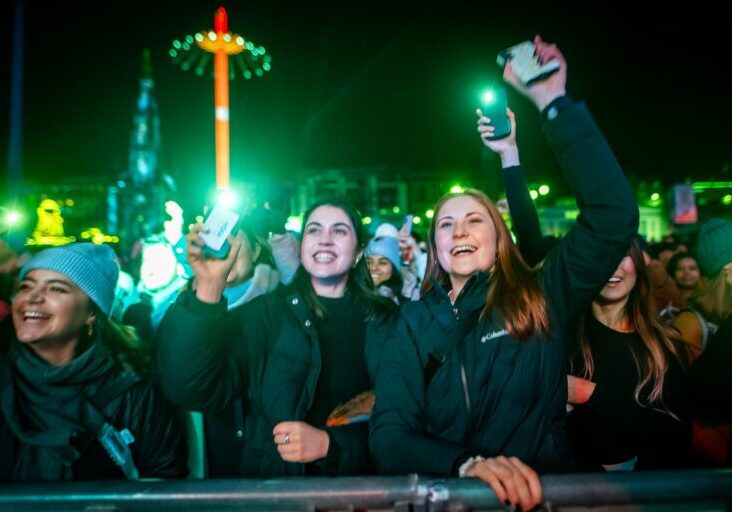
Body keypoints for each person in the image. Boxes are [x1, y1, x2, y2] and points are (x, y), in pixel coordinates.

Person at [370, 36, 638, 512]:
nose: (460, 230)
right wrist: (467, 464)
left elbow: (613, 215)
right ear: (434, 247)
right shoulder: (408, 323)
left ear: (499, 240)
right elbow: (390, 436)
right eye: (446, 224)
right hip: (449, 500)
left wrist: (553, 103)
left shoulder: (541, 296)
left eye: (475, 219)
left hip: (541, 499)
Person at [158, 199, 396, 476]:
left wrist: (332, 446)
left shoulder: (388, 322)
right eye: (314, 231)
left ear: (358, 252)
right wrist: (210, 285)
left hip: (363, 494)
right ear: (303, 244)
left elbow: (405, 422)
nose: (325, 240)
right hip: (278, 495)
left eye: (340, 231)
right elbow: (191, 389)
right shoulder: (264, 316)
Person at [0, 243, 186, 481]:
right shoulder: (5, 378)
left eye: (56, 289)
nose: (32, 298)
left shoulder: (129, 389)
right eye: (26, 286)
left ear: (91, 313)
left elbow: (164, 475)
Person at [566, 237, 692, 470]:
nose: (613, 265)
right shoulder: (563, 339)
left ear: (638, 264)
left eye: (623, 254)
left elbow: (678, 434)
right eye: (601, 255)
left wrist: (591, 394)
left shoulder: (664, 344)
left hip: (646, 493)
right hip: (578, 494)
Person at [365, 235, 409, 305]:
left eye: (382, 263)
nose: (373, 268)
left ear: (394, 268)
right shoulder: (353, 295)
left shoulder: (409, 299)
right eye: (369, 262)